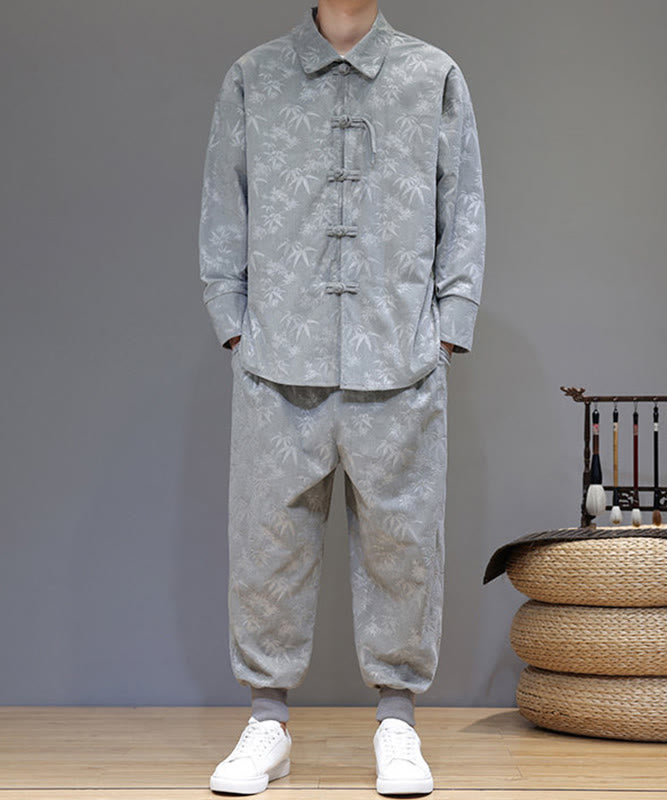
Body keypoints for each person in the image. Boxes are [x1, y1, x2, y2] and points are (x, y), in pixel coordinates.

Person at [198, 0, 485, 794]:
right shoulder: (254, 78)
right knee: (267, 545)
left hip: (400, 357)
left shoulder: (432, 76)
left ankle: (398, 725)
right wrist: (234, 324)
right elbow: (224, 202)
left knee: (405, 547)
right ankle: (267, 724)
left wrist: (448, 328)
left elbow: (462, 206)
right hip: (276, 361)